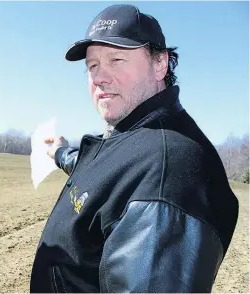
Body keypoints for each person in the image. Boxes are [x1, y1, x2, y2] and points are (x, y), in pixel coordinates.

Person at [30, 4, 239, 293]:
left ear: (160, 64)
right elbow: (103, 177)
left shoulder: (169, 171)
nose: (99, 77)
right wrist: (60, 153)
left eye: (116, 59)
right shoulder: (133, 139)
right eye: (92, 65)